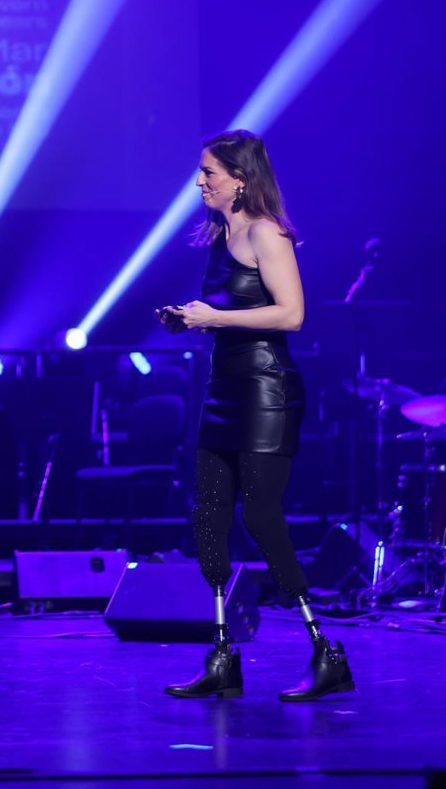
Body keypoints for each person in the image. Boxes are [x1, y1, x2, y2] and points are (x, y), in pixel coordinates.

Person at [158, 130, 354, 702]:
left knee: (262, 517)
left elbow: (291, 315)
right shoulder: (220, 234)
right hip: (224, 388)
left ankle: (327, 652)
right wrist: (189, 320)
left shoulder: (267, 231)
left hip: (267, 392)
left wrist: (215, 319)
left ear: (240, 180)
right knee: (209, 514)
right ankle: (222, 655)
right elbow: (231, 312)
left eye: (209, 173)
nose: (200, 182)